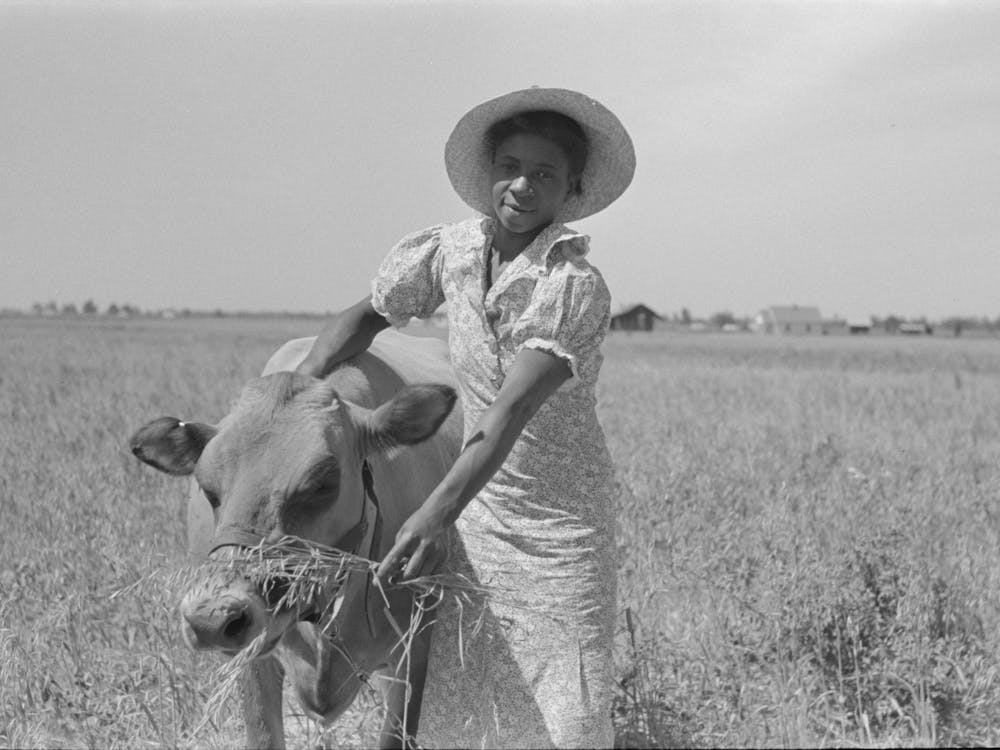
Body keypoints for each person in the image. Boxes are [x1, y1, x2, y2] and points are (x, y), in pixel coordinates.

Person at [296, 86, 635, 749]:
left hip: (559, 523)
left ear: (572, 188)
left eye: (544, 174)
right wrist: (297, 393)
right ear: (488, 172)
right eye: (510, 164)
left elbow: (509, 412)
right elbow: (365, 317)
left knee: (571, 717)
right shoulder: (447, 251)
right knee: (468, 704)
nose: (521, 186)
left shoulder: (572, 287)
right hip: (478, 511)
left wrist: (433, 513)